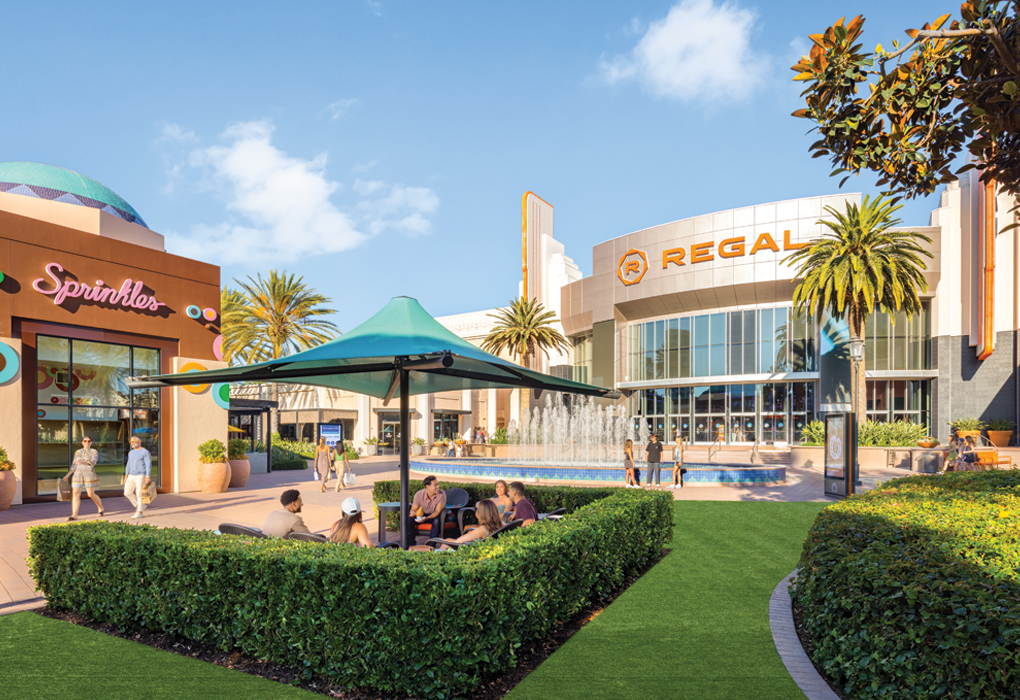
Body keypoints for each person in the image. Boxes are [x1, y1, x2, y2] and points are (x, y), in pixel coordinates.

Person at [61, 436, 104, 521]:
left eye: (89, 441)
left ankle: (101, 508)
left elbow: (92, 463)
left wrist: (82, 462)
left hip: (89, 474)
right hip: (77, 474)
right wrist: (68, 475)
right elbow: (74, 465)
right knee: (76, 493)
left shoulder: (94, 451)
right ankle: (74, 514)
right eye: (85, 441)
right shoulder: (78, 452)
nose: (87, 443)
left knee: (90, 494)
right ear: (82, 442)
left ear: (91, 442)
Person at [435, 499, 502, 550]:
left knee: (445, 543)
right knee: (448, 540)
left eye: (477, 509)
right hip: (483, 548)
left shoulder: (481, 530)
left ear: (480, 513)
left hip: (469, 552)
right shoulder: (501, 525)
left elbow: (458, 542)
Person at [408, 475, 447, 539]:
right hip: (422, 515)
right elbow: (413, 509)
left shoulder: (441, 494)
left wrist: (426, 518)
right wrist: (413, 514)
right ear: (427, 486)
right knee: (409, 520)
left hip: (435, 516)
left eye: (438, 484)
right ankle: (411, 543)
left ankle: (432, 544)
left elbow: (437, 511)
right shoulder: (419, 494)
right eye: (435, 485)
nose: (438, 487)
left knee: (436, 521)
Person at [124, 436, 152, 518]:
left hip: (141, 475)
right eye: (131, 442)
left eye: (134, 441)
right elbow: (128, 464)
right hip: (131, 475)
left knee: (139, 493)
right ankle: (141, 505)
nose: (132, 443)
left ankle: (140, 512)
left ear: (139, 441)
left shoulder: (145, 452)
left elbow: (148, 464)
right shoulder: (131, 452)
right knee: (127, 492)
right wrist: (126, 475)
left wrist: (147, 476)